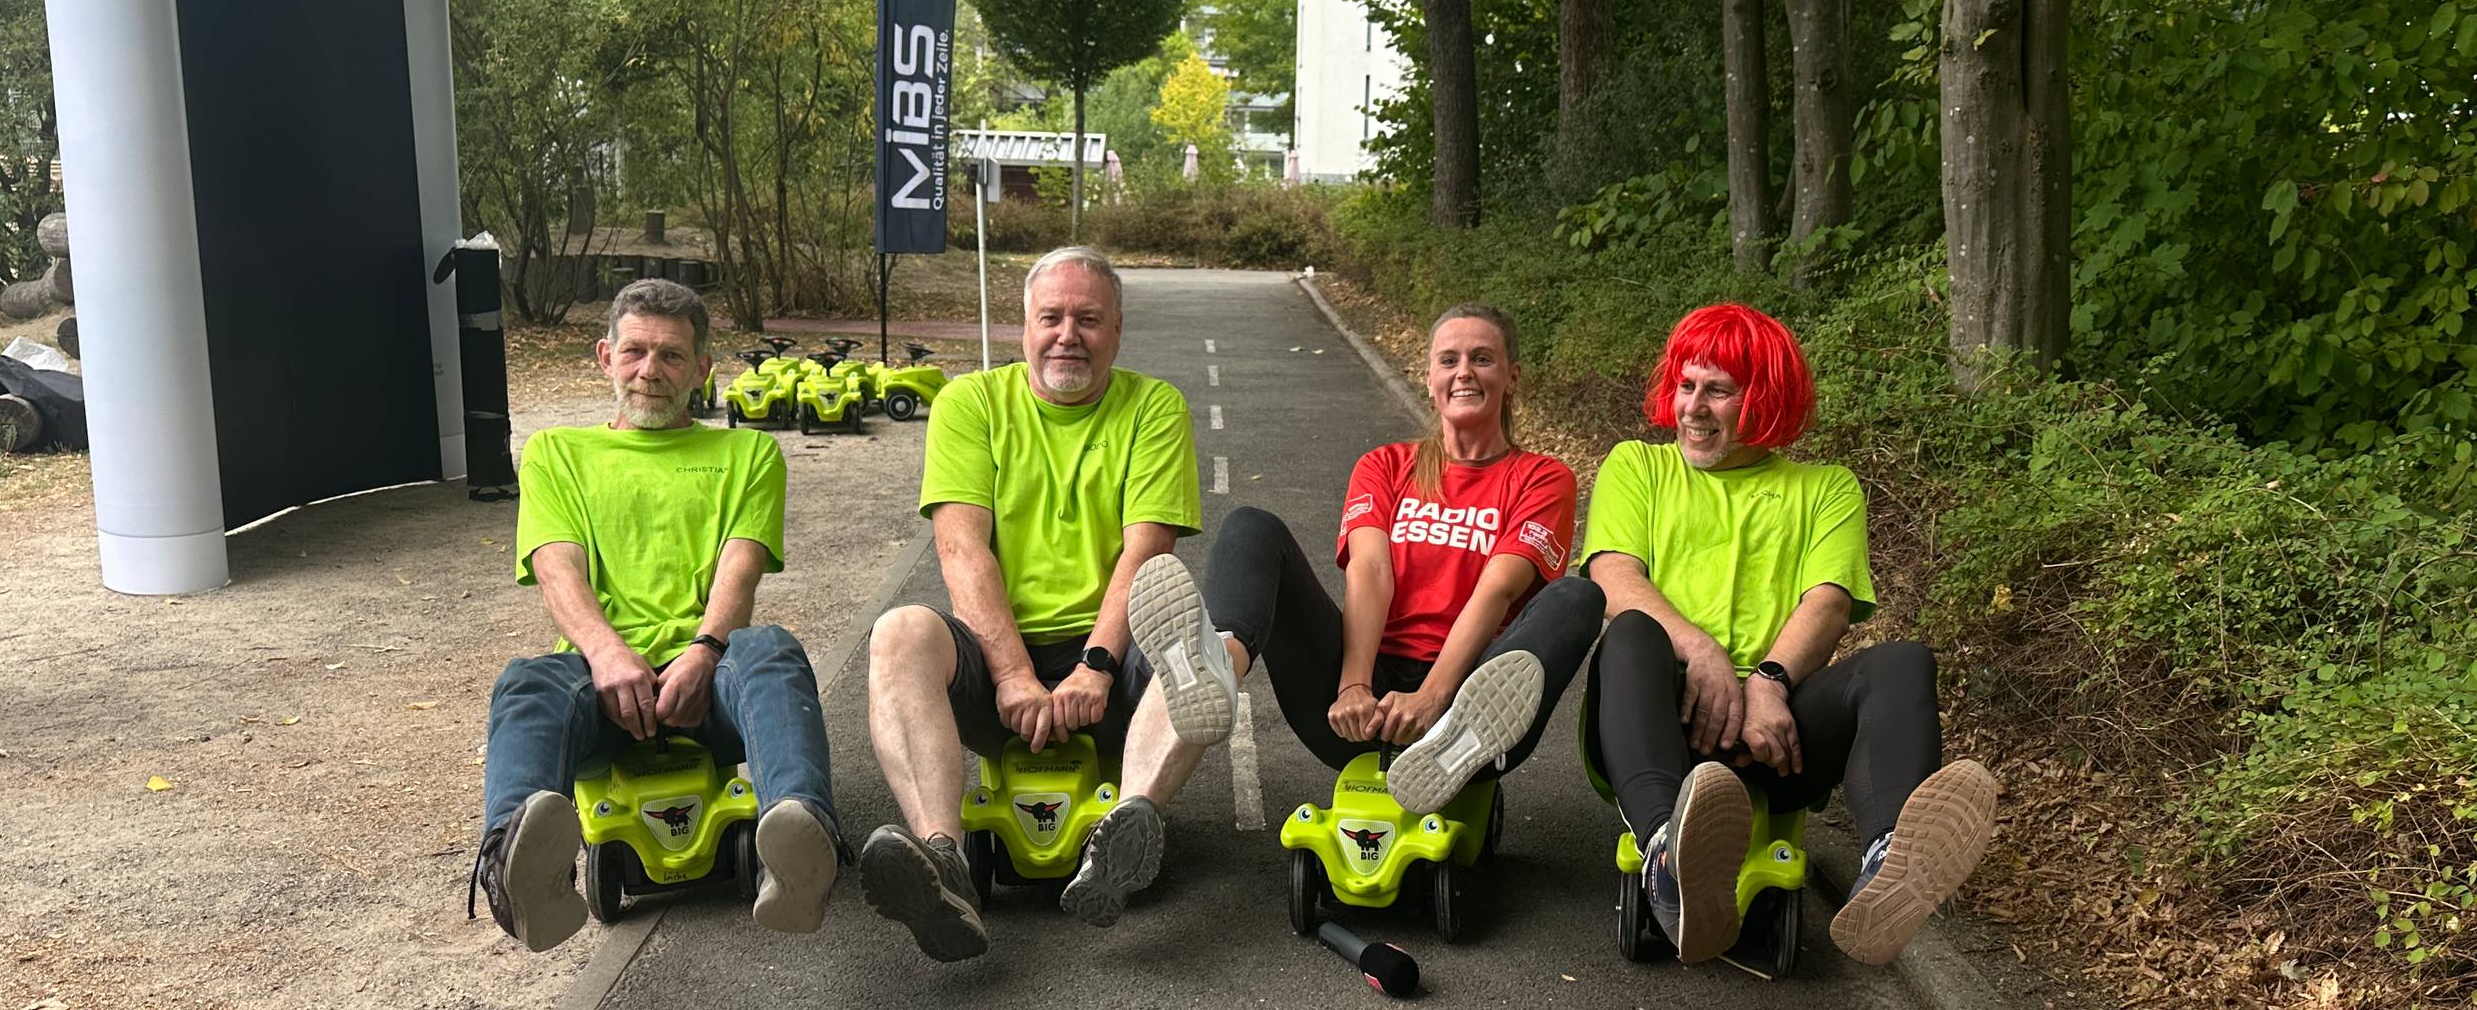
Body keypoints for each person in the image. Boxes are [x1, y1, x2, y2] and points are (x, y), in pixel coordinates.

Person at [1582, 303, 1999, 966]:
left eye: (1718, 390)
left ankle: (1887, 869)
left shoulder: (1826, 489)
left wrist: (1768, 684)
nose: (1693, 406)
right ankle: (1667, 855)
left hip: (1777, 741)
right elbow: (1612, 574)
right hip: (1658, 725)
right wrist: (1699, 650)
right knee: (1631, 631)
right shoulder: (1638, 467)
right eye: (1687, 386)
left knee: (1900, 663)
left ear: (1766, 399)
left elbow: (1830, 603)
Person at [857, 245, 1225, 961]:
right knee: (899, 630)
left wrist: (1095, 664)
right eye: (1051, 317)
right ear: (1024, 325)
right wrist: (1013, 674)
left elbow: (1145, 552)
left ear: (1117, 329)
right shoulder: (971, 403)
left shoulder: (1154, 407)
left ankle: (1127, 826)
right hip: (1001, 669)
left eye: (1088, 319)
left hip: (1113, 673)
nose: (1068, 335)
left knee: (1197, 634)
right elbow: (963, 550)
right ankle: (943, 859)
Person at [469, 279, 838, 952]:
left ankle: (804, 844)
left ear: (701, 370)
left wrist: (703, 652)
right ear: (605, 356)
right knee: (529, 678)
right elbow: (557, 570)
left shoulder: (748, 453)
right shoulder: (558, 453)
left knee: (772, 648)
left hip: (714, 684)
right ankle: (515, 868)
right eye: (636, 352)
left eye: (672, 357)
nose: (650, 372)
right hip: (599, 685)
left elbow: (741, 567)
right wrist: (608, 656)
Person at [1162, 303, 1602, 821]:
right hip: (1360, 706)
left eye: (1482, 359)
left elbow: (1499, 588)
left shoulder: (1543, 478)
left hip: (1470, 699)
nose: (1464, 372)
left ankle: (1454, 746)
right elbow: (1369, 572)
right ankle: (1219, 671)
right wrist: (1354, 686)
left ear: (1512, 376)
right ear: (1430, 376)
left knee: (1580, 596)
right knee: (1251, 526)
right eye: (1449, 360)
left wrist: (1433, 697)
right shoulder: (1385, 465)